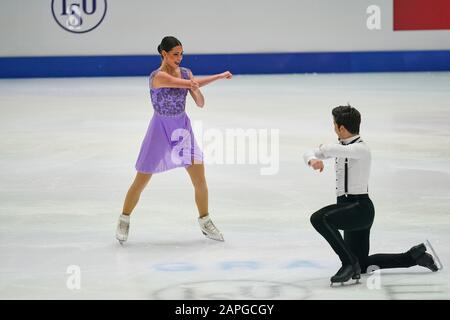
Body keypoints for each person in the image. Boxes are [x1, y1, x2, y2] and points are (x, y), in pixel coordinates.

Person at [303, 105, 439, 285]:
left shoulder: (361, 149)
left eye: (334, 124)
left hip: (360, 209)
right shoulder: (340, 147)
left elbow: (331, 150)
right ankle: (413, 257)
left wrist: (323, 148)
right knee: (363, 263)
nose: (333, 127)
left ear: (341, 128)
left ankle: (348, 263)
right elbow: (309, 152)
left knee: (319, 218)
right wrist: (313, 160)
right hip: (347, 209)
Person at [116, 36, 232, 244]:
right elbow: (186, 83)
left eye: (181, 54)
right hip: (159, 130)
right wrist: (220, 76)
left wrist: (195, 91)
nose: (179, 58)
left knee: (200, 179)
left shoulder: (186, 73)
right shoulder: (158, 77)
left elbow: (200, 102)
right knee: (141, 180)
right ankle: (124, 219)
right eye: (175, 54)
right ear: (164, 54)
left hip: (182, 130)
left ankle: (205, 221)